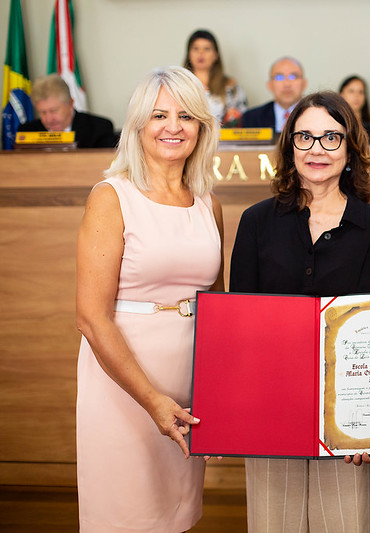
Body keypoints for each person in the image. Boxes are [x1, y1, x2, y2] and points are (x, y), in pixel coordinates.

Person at [229, 91, 370, 532]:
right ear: (289, 148)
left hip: (349, 415)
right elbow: (238, 329)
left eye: (331, 138)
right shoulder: (255, 222)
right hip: (271, 406)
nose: (317, 149)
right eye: (305, 137)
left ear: (350, 150)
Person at [74, 66, 225, 531]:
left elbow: (219, 311)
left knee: (176, 516)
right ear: (139, 124)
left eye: (186, 116)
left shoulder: (208, 202)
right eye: (159, 115)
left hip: (187, 390)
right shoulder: (111, 196)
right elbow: (91, 318)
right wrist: (152, 400)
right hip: (125, 387)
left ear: (202, 127)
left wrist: (219, 398)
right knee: (125, 516)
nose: (173, 127)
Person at [18, 74, 116, 148]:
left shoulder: (99, 129)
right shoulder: (27, 132)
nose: (49, 119)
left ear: (70, 103)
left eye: (54, 111)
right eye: (43, 112)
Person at [183, 29, 248, 127]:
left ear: (215, 55)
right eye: (196, 48)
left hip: (222, 140)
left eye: (206, 49)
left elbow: (241, 121)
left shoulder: (231, 87)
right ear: (189, 54)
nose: (201, 53)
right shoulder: (178, 85)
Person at [241, 56, 307, 133]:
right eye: (279, 77)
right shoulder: (251, 118)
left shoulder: (316, 115)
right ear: (269, 85)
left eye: (293, 77)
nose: (287, 84)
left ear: (304, 84)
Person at [339, 75, 370, 144]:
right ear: (341, 94)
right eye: (351, 91)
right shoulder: (334, 122)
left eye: (361, 92)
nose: (356, 95)